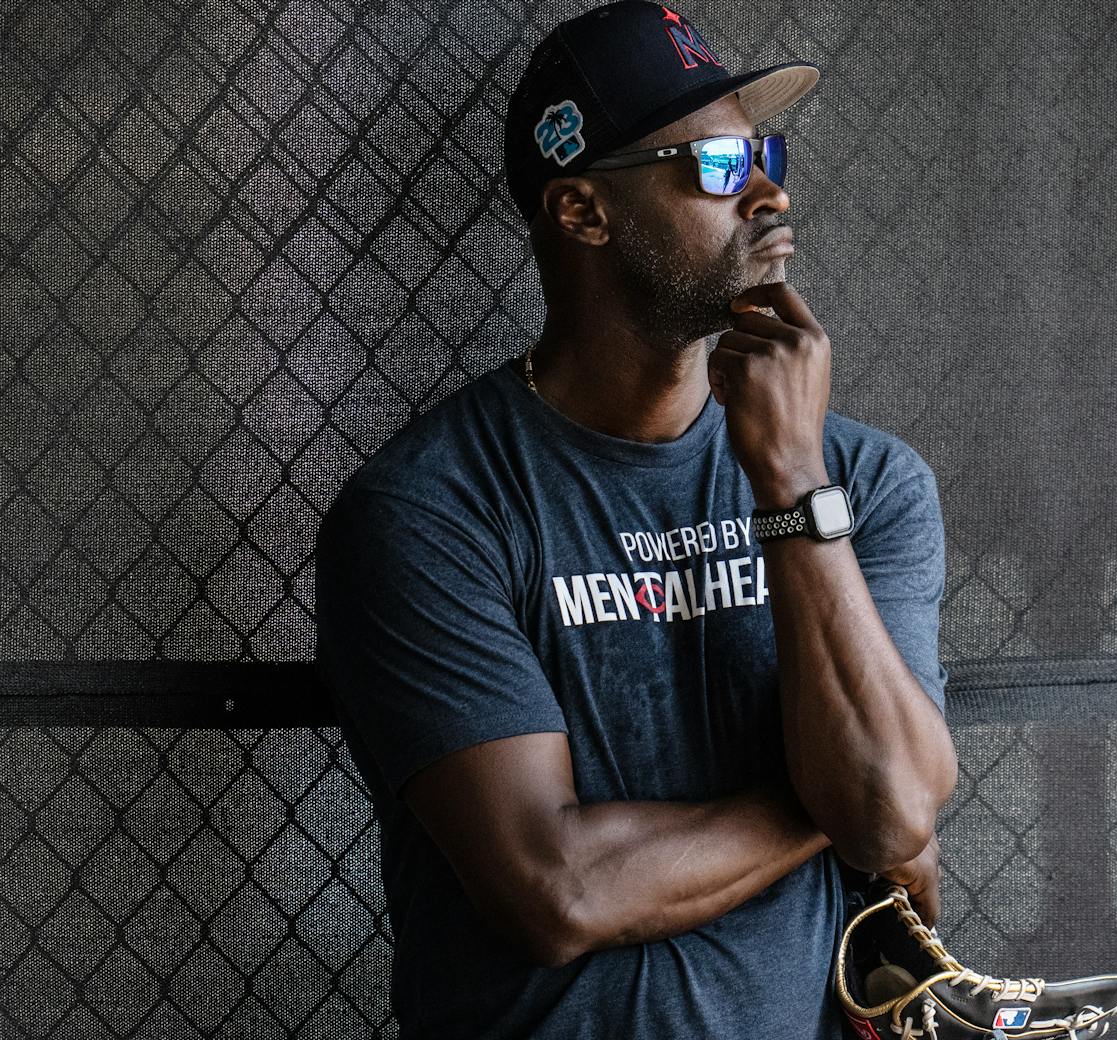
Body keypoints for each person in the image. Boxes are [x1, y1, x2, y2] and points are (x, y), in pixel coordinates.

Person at [313, 2, 956, 1037]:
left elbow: (888, 808)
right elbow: (554, 887)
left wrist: (791, 484)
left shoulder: (866, 482)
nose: (766, 190)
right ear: (581, 212)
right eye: (712, 166)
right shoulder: (428, 511)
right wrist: (842, 806)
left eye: (763, 152)